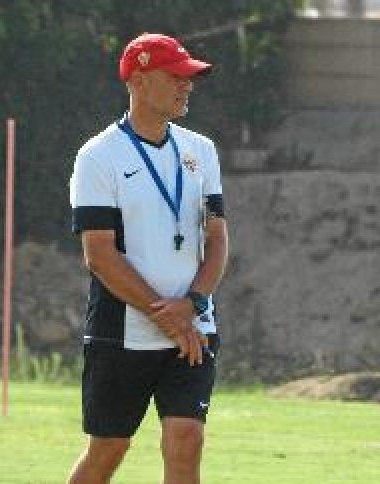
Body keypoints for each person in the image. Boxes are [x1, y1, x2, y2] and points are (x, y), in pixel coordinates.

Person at [67, 32, 230, 484]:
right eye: (174, 76)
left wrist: (193, 304)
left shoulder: (202, 151)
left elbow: (217, 239)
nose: (187, 85)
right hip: (123, 333)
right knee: (108, 450)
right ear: (138, 81)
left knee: (186, 439)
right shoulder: (97, 157)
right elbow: (99, 256)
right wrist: (167, 315)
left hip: (194, 327)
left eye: (189, 78)